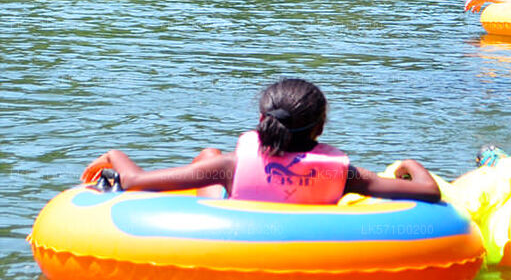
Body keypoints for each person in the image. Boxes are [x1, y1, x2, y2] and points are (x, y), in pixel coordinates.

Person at [83, 79, 442, 203]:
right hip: (314, 247)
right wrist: (408, 164)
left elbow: (134, 181)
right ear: (320, 128)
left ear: (261, 122)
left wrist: (114, 154)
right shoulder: (345, 175)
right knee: (210, 156)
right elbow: (429, 192)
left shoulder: (230, 166)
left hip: (233, 232)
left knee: (209, 156)